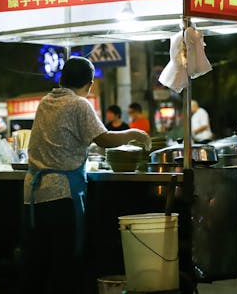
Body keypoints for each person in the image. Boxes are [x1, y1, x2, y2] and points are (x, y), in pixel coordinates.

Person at [20, 56, 150, 294]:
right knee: (63, 264)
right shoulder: (79, 104)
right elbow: (104, 139)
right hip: (60, 196)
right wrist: (134, 133)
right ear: (89, 84)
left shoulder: (46, 101)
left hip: (33, 196)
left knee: (38, 263)